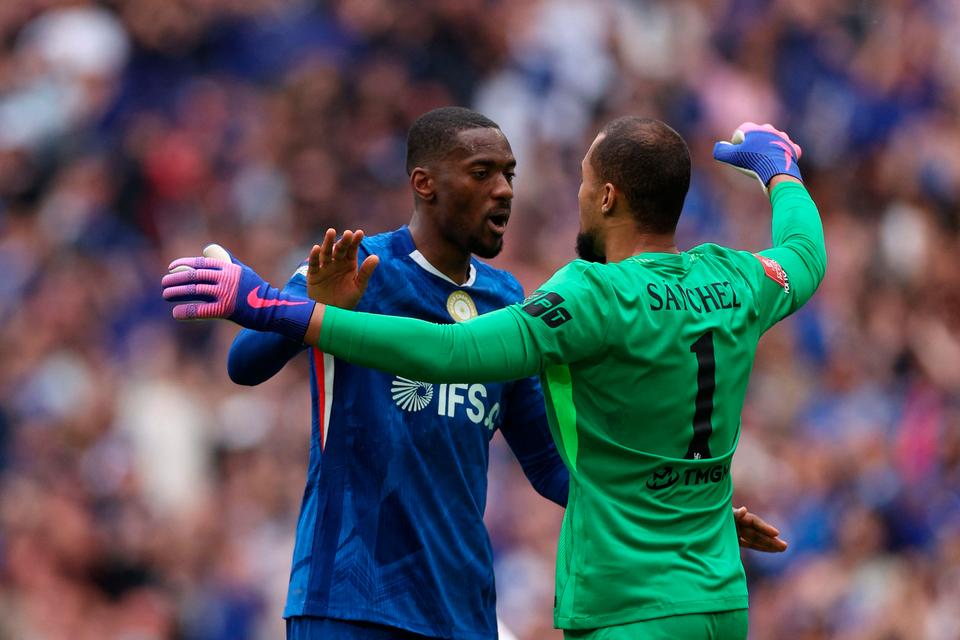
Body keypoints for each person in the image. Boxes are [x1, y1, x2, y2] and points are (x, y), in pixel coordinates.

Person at [163, 115, 803, 639]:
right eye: (482, 173)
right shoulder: (356, 265)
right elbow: (243, 364)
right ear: (425, 183)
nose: (504, 190)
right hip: (350, 596)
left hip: (462, 603)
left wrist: (678, 509)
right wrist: (316, 309)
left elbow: (548, 465)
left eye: (509, 174)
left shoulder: (507, 298)